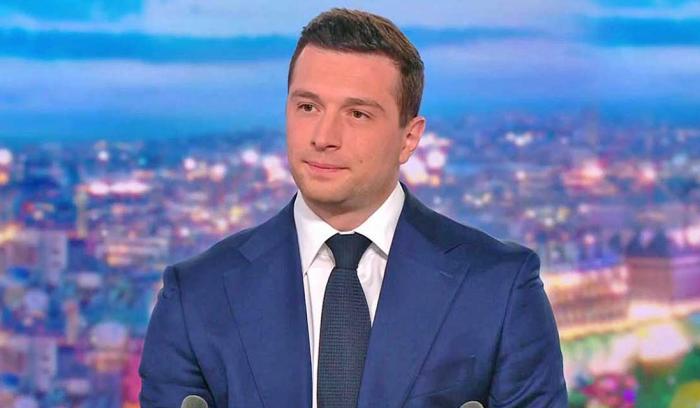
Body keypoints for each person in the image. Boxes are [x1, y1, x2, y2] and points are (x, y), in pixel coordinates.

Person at [139, 8, 567, 408]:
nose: (324, 136)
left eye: (358, 114)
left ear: (409, 138)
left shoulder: (499, 288)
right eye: (308, 107)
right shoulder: (195, 297)